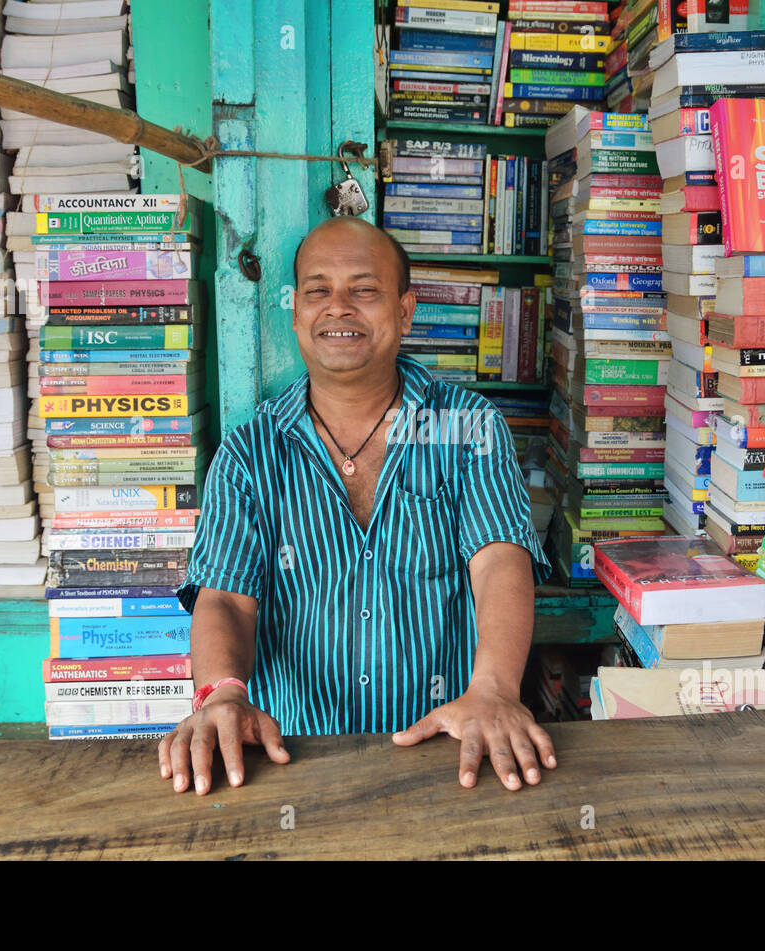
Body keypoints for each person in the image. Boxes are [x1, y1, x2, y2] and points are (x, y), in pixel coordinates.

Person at [157, 216, 557, 795]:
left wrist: (494, 691)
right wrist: (221, 695)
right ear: (295, 313)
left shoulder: (469, 427)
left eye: (364, 290)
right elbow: (224, 599)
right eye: (318, 291)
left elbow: (500, 562)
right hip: (290, 759)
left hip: (453, 748)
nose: (338, 307)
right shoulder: (250, 452)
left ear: (405, 310)